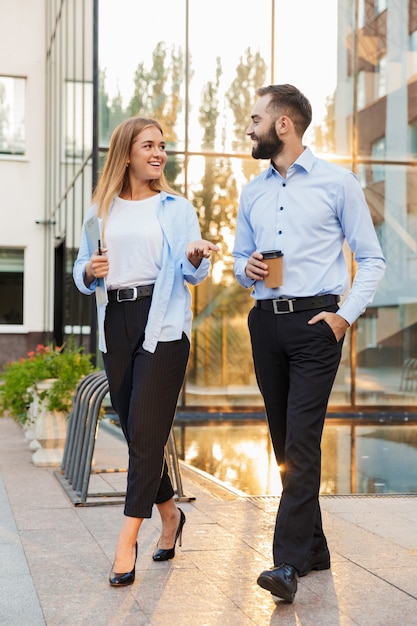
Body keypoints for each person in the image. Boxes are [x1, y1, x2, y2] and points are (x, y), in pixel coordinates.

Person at [233, 84, 386, 603]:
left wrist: (343, 317)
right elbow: (238, 259)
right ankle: (315, 547)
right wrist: (244, 268)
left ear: (283, 125)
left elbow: (373, 258)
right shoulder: (252, 191)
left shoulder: (337, 183)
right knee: (284, 441)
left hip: (316, 325)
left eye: (255, 118)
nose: (247, 128)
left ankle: (287, 564)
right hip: (265, 322)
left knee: (300, 442)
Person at [73, 116, 219, 587]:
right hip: (117, 322)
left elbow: (190, 270)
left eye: (162, 146)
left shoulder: (177, 208)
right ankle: (171, 516)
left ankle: (125, 542)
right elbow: (81, 270)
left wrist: (196, 258)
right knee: (139, 432)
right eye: (148, 145)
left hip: (164, 323)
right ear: (127, 153)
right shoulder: (100, 211)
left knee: (148, 429)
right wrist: (91, 271)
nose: (158, 153)